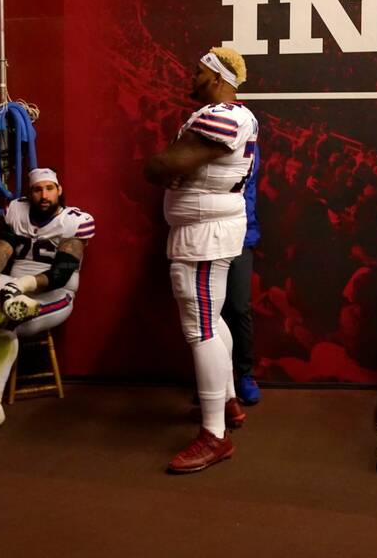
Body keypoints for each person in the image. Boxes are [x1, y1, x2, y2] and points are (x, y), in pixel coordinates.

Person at [145, 47, 257, 473]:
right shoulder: (228, 115)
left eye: (197, 72)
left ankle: (214, 435)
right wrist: (175, 164)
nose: (191, 77)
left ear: (216, 76)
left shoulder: (223, 115)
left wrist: (167, 164)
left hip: (205, 233)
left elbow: (161, 167)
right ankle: (226, 401)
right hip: (206, 227)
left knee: (200, 328)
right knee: (212, 319)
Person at [0, 167, 93, 443]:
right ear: (30, 192)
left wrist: (23, 285)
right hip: (10, 287)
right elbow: (2, 248)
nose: (44, 195)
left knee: (4, 323)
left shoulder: (75, 221)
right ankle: (9, 301)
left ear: (59, 190)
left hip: (54, 295)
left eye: (49, 188)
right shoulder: (17, 210)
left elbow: (61, 273)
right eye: (38, 190)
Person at [225, 140, 261, 405]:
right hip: (205, 237)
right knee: (212, 314)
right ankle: (218, 379)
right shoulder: (201, 139)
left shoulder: (248, 145)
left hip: (241, 236)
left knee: (239, 307)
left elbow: (242, 185)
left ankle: (245, 375)